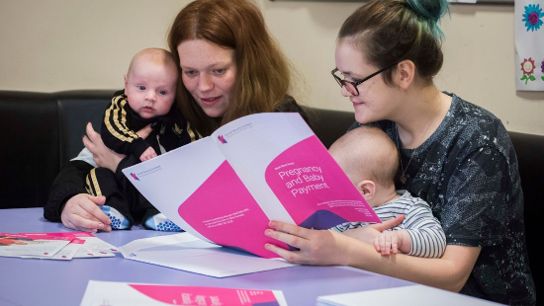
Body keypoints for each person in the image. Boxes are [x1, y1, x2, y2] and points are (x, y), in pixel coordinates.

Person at [263, 0, 536, 305]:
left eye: (354, 81)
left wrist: (346, 248)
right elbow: (333, 217)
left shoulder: (478, 142)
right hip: (380, 289)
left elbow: (452, 275)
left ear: (404, 73)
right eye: (341, 78)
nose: (345, 90)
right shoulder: (372, 127)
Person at [44, 0, 307, 233]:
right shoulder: (165, 107)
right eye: (190, 72)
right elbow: (82, 163)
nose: (203, 87)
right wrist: (69, 202)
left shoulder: (280, 116)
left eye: (218, 70)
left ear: (248, 64)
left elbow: (232, 204)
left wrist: (119, 165)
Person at [85, 48, 189, 231]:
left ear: (176, 95)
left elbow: (190, 145)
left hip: (152, 186)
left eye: (162, 92)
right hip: (115, 180)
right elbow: (111, 129)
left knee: (159, 175)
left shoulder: (176, 119)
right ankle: (116, 212)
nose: (150, 97)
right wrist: (137, 145)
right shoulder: (120, 105)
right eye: (141, 88)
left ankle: (154, 215)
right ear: (126, 85)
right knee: (98, 175)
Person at [329, 126, 446, 258]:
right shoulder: (345, 214)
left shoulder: (410, 208)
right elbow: (323, 240)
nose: (329, 192)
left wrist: (400, 239)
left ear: (365, 191)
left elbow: (437, 242)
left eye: (335, 186)